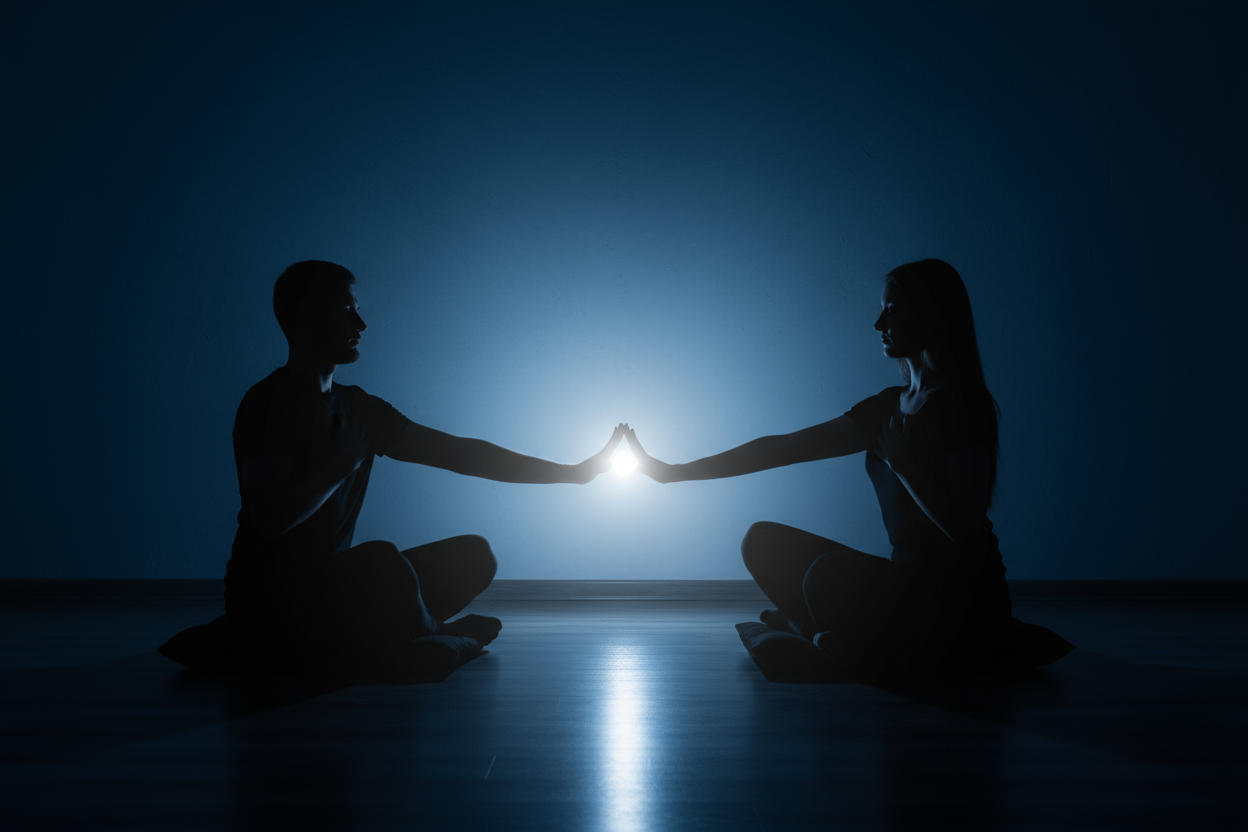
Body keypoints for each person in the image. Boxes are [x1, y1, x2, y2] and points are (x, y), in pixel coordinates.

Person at [623, 259, 1071, 682]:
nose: (879, 325)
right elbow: (784, 449)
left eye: (892, 311)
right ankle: (824, 633)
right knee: (761, 541)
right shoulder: (886, 408)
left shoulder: (965, 407)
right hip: (906, 582)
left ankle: (823, 632)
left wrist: (900, 462)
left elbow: (963, 527)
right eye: (881, 311)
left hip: (960, 598)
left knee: (826, 577)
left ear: (931, 315)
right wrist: (672, 471)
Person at [216, 260, 625, 678]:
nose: (361, 323)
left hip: (334, 594)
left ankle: (398, 634)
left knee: (474, 555)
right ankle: (429, 635)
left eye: (357, 309)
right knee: (382, 562)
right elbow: (270, 519)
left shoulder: (358, 408)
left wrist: (574, 472)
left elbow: (460, 454)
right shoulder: (269, 403)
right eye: (345, 311)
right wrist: (342, 464)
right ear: (305, 317)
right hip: (270, 606)